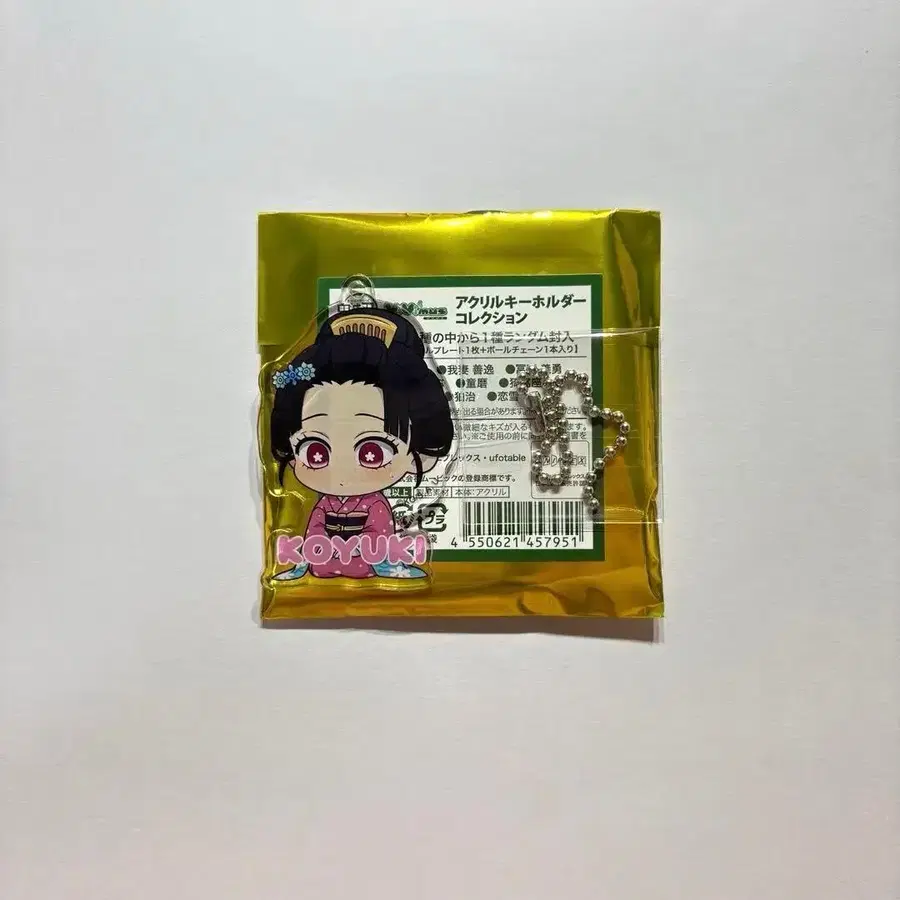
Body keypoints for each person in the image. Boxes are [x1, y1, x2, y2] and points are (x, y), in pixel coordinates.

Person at [269, 306, 453, 580]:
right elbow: (315, 528)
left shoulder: (375, 506)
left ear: (421, 456)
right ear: (293, 453)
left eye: (372, 453)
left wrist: (358, 552)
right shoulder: (325, 504)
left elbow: (378, 534)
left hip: (365, 560)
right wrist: (317, 552)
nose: (342, 471)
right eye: (316, 451)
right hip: (324, 560)